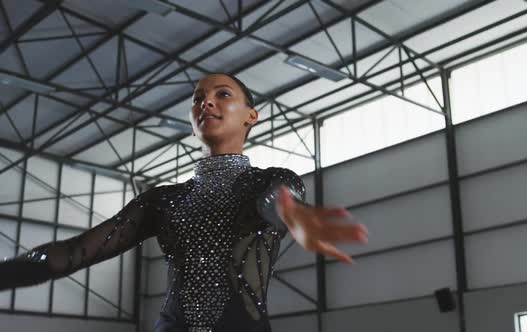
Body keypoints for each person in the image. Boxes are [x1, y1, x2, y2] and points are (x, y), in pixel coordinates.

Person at [0, 73, 368, 332]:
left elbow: (280, 201)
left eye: (222, 94)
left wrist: (295, 216)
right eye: (197, 99)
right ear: (193, 123)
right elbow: (77, 251)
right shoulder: (163, 199)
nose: (205, 101)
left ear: (251, 116)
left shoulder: (270, 180)